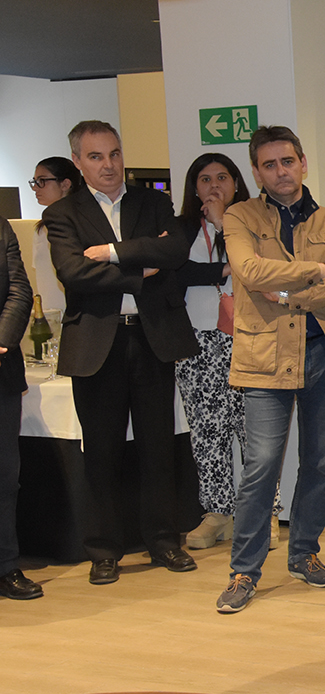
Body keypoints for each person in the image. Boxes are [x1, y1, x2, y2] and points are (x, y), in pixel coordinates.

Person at [43, 120, 199, 584]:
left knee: (158, 447)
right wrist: (138, 271)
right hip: (97, 343)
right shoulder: (62, 213)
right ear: (77, 161)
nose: (108, 165)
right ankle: (104, 550)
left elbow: (174, 253)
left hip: (151, 337)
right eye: (95, 157)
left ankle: (164, 542)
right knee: (102, 452)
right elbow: (73, 273)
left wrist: (111, 252)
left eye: (114, 154)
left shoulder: (152, 200)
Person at [215, 125, 325, 614]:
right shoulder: (239, 215)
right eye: (268, 165)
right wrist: (316, 272)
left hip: (322, 356)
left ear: (302, 163)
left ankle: (304, 554)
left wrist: (288, 291)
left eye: (287, 161)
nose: (280, 172)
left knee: (320, 461)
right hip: (263, 358)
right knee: (261, 466)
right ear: (256, 172)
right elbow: (249, 272)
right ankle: (243, 571)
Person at [175, 153, 251, 550]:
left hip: (248, 339)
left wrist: (224, 224)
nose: (214, 185)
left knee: (252, 432)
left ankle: (261, 513)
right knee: (207, 434)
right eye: (205, 179)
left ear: (237, 183)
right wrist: (220, 271)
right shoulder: (180, 229)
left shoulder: (252, 222)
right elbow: (176, 272)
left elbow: (255, 267)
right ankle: (217, 511)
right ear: (194, 188)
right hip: (196, 341)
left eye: (223, 177)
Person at [0, 218, 41, 600]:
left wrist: (2, 340)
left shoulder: (0, 227)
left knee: (4, 476)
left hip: (0, 370)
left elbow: (19, 290)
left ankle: (7, 566)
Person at [29, 156, 80, 325]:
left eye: (42, 181)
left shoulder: (80, 224)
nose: (36, 188)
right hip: (50, 317)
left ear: (65, 184)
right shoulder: (41, 228)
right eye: (35, 181)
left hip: (76, 317)